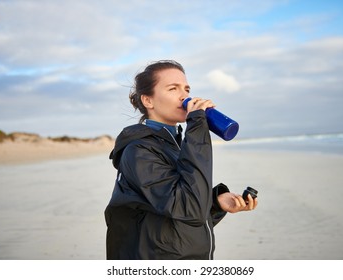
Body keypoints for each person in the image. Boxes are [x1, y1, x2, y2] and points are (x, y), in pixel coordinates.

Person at [104, 60, 258, 260]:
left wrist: (215, 204)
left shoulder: (174, 145)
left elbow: (175, 220)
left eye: (186, 89)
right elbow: (189, 208)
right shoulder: (138, 151)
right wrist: (197, 127)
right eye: (173, 88)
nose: (185, 96)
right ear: (148, 101)